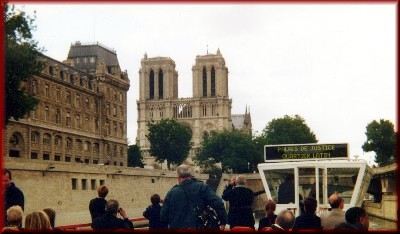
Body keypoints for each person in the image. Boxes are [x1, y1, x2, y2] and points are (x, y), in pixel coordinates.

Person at [160, 164, 227, 230]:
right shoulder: (202, 187)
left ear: (178, 175)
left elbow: (163, 216)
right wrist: (223, 221)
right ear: (191, 174)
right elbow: (218, 203)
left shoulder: (172, 193)